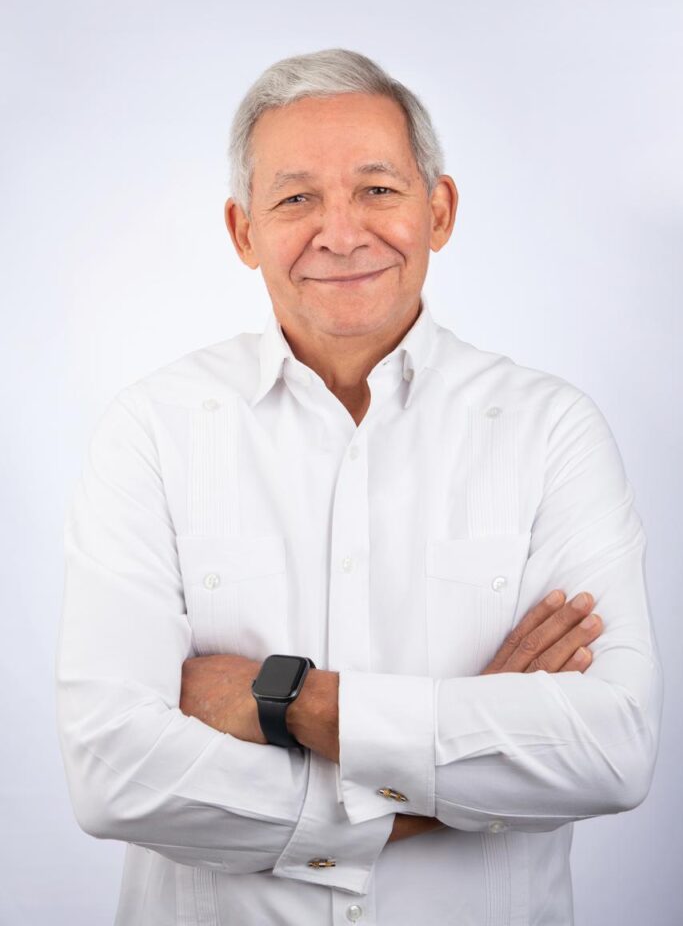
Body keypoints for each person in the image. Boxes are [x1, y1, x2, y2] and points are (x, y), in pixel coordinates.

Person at [56, 48, 663, 926]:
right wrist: (443, 769)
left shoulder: (549, 431)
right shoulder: (151, 430)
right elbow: (113, 775)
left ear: (438, 210)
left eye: (377, 189)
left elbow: (610, 750)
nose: (340, 234)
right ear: (242, 231)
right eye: (295, 199)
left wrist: (290, 701)